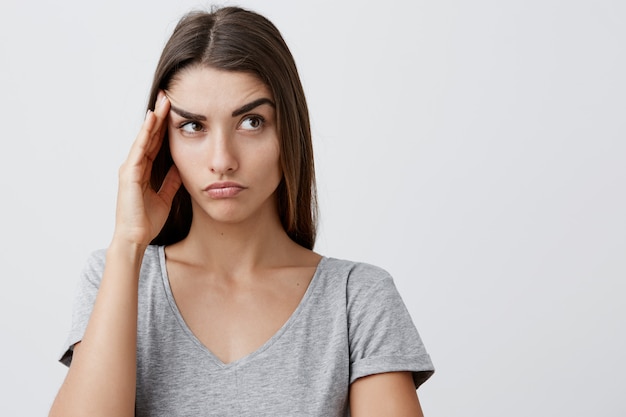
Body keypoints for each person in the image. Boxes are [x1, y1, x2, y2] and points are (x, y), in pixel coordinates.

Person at [49, 6, 434, 417]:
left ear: (289, 129)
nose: (222, 160)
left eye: (251, 122)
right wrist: (128, 244)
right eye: (193, 126)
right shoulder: (115, 279)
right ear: (162, 140)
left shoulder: (356, 299)